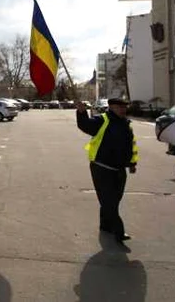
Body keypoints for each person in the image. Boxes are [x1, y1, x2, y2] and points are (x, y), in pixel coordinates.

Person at [76, 98, 138, 243]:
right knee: (109, 200)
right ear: (111, 107)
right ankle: (119, 231)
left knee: (114, 199)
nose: (123, 110)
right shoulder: (102, 120)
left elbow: (131, 146)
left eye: (124, 107)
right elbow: (85, 125)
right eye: (119, 107)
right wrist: (81, 112)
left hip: (119, 168)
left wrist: (132, 163)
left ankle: (105, 225)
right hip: (101, 167)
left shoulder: (126, 124)